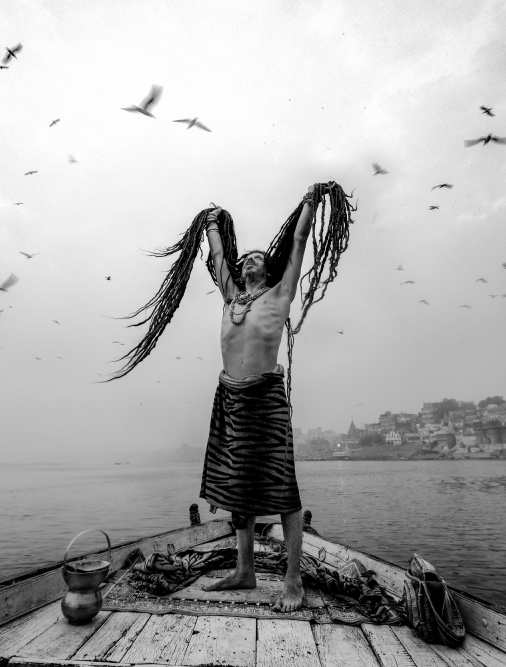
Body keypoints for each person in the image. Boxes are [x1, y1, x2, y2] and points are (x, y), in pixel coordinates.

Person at [198, 186, 317, 612]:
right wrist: (211, 222)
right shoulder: (232, 298)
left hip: (265, 398)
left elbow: (299, 242)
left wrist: (309, 202)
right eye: (245, 258)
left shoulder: (280, 295)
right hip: (230, 399)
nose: (250, 260)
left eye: (258, 259)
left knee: (282, 488)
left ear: (268, 271)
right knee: (235, 486)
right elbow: (216, 258)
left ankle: (293, 578)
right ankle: (244, 570)